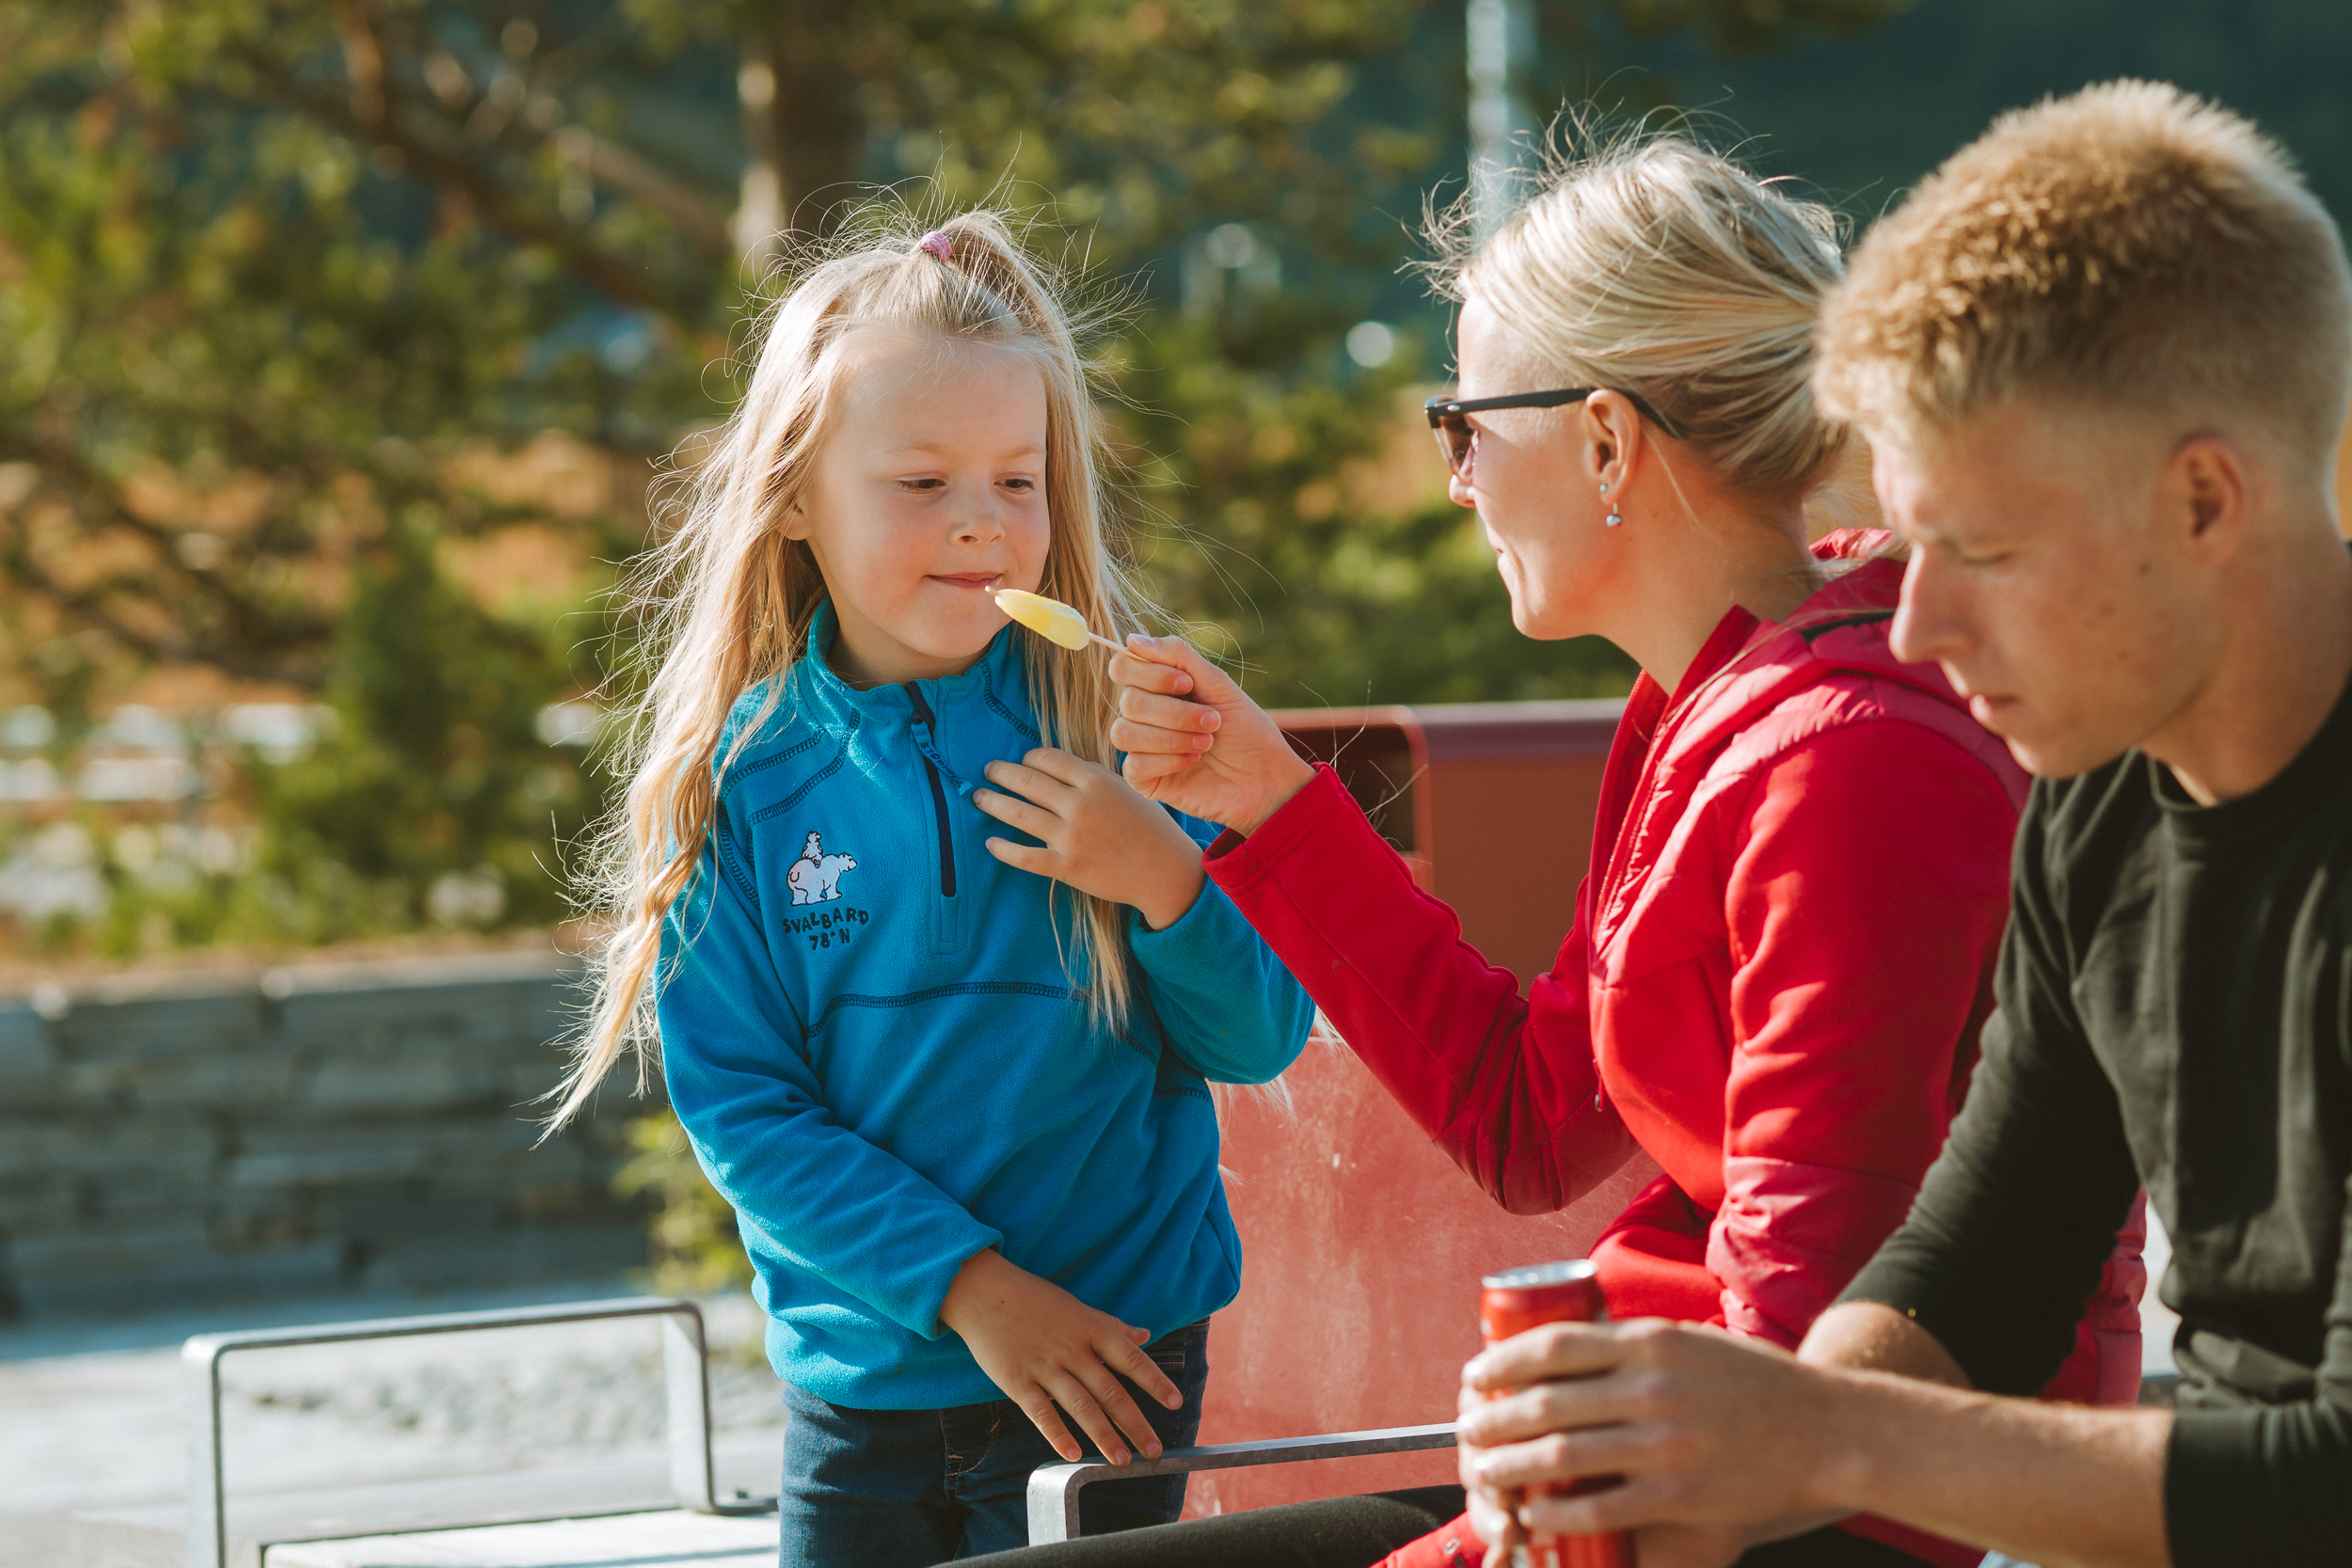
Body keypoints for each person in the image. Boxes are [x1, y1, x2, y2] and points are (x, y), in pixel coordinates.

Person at [974, 134, 2139, 1568]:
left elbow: (1791, 1371)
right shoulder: (1717, 708)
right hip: (1672, 1468)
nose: (1457, 481)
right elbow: (1527, 1119)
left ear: (1604, 439)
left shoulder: (1844, 764)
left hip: (1814, 1516)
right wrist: (1267, 793)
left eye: (1464, 423)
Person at [1436, 81, 2352, 1568]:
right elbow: (1977, 1267)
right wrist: (1726, 1449)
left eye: (1980, 551)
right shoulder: (2101, 802)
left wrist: (1812, 1440)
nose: (1917, 618)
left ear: (2202, 502)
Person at [544, 210, 1315, 1566]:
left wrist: (1166, 880)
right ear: (793, 501)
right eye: (920, 485)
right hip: (863, 1390)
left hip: (1109, 1378)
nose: (982, 526)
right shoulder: (742, 783)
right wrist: (972, 1292)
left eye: (1018, 483)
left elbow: (1258, 1039)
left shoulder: (1124, 728)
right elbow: (747, 1109)